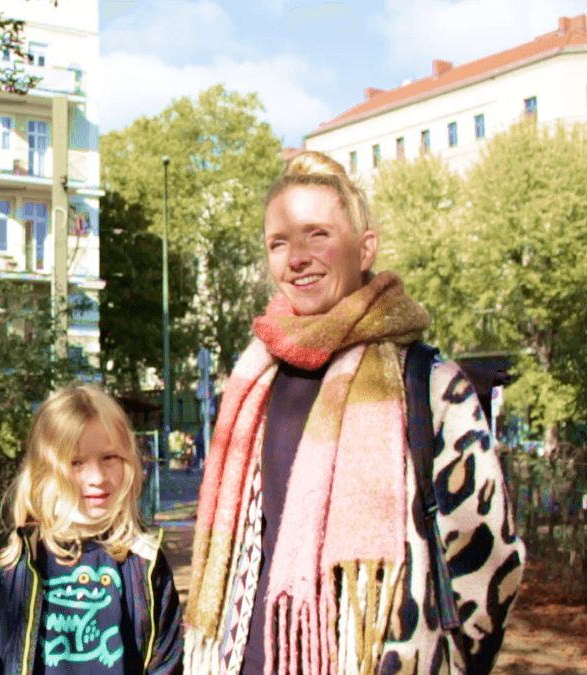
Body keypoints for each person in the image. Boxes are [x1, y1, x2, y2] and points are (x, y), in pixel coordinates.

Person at [182, 151, 525, 675]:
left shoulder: (428, 384)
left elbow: (489, 558)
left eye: (316, 234)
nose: (296, 257)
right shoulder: (253, 378)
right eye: (279, 242)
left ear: (366, 248)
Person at [0, 384, 183, 675]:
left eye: (109, 458)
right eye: (76, 462)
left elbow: (166, 662)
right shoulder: (7, 560)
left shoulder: (144, 558)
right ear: (44, 471)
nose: (97, 478)